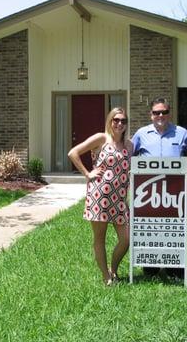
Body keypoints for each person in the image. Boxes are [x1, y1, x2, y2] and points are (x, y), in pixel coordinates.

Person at [68, 107, 133, 286]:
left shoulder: (129, 145)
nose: (119, 123)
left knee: (126, 239)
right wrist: (88, 173)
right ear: (110, 121)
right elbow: (73, 153)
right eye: (116, 120)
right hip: (100, 195)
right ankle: (106, 277)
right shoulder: (101, 138)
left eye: (123, 121)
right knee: (100, 238)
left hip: (119, 198)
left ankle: (114, 269)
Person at [132, 97, 187, 277]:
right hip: (148, 193)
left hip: (174, 193)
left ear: (169, 113)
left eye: (164, 112)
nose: (160, 115)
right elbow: (127, 155)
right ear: (151, 115)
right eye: (156, 112)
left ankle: (174, 265)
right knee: (151, 226)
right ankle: (151, 264)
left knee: (173, 227)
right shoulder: (141, 134)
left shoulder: (182, 133)